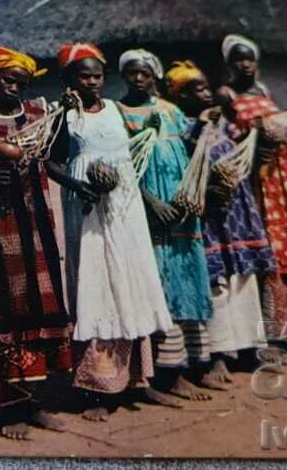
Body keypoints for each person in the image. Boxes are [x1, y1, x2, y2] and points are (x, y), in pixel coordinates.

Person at [47, 43, 172, 422]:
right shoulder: (64, 117)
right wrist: (77, 184)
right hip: (89, 210)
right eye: (84, 76)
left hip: (125, 205)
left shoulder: (116, 109)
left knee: (131, 279)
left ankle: (139, 380)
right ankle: (96, 388)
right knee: (98, 283)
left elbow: (136, 148)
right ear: (69, 79)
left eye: (97, 75)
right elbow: (51, 163)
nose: (92, 82)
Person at [0, 47, 71, 441]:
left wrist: (66, 116)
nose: (13, 87)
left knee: (38, 307)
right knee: (3, 310)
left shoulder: (37, 116)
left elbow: (57, 155)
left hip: (34, 220)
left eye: (21, 83)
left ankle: (35, 401)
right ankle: (9, 406)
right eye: (7, 80)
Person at [166, 61, 276, 386]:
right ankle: (219, 355)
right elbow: (186, 164)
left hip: (237, 212)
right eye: (197, 89)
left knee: (243, 277)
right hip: (209, 213)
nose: (205, 93)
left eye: (205, 87)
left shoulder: (222, 124)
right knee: (218, 282)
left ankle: (248, 349)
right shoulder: (182, 127)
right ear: (181, 96)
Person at [115, 49, 213, 404]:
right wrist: (151, 202)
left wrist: (189, 197)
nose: (138, 79)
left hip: (182, 206)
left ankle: (192, 366)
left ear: (154, 77)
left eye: (144, 73)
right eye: (132, 73)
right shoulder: (118, 112)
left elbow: (190, 149)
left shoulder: (171, 112)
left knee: (187, 275)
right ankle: (166, 373)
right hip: (148, 208)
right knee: (161, 281)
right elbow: (123, 163)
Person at [219, 35, 287, 347]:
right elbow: (232, 137)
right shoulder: (227, 94)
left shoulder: (263, 91)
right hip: (258, 179)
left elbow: (282, 129)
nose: (245, 63)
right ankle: (274, 332)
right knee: (272, 249)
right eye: (238, 58)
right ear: (229, 63)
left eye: (249, 57)